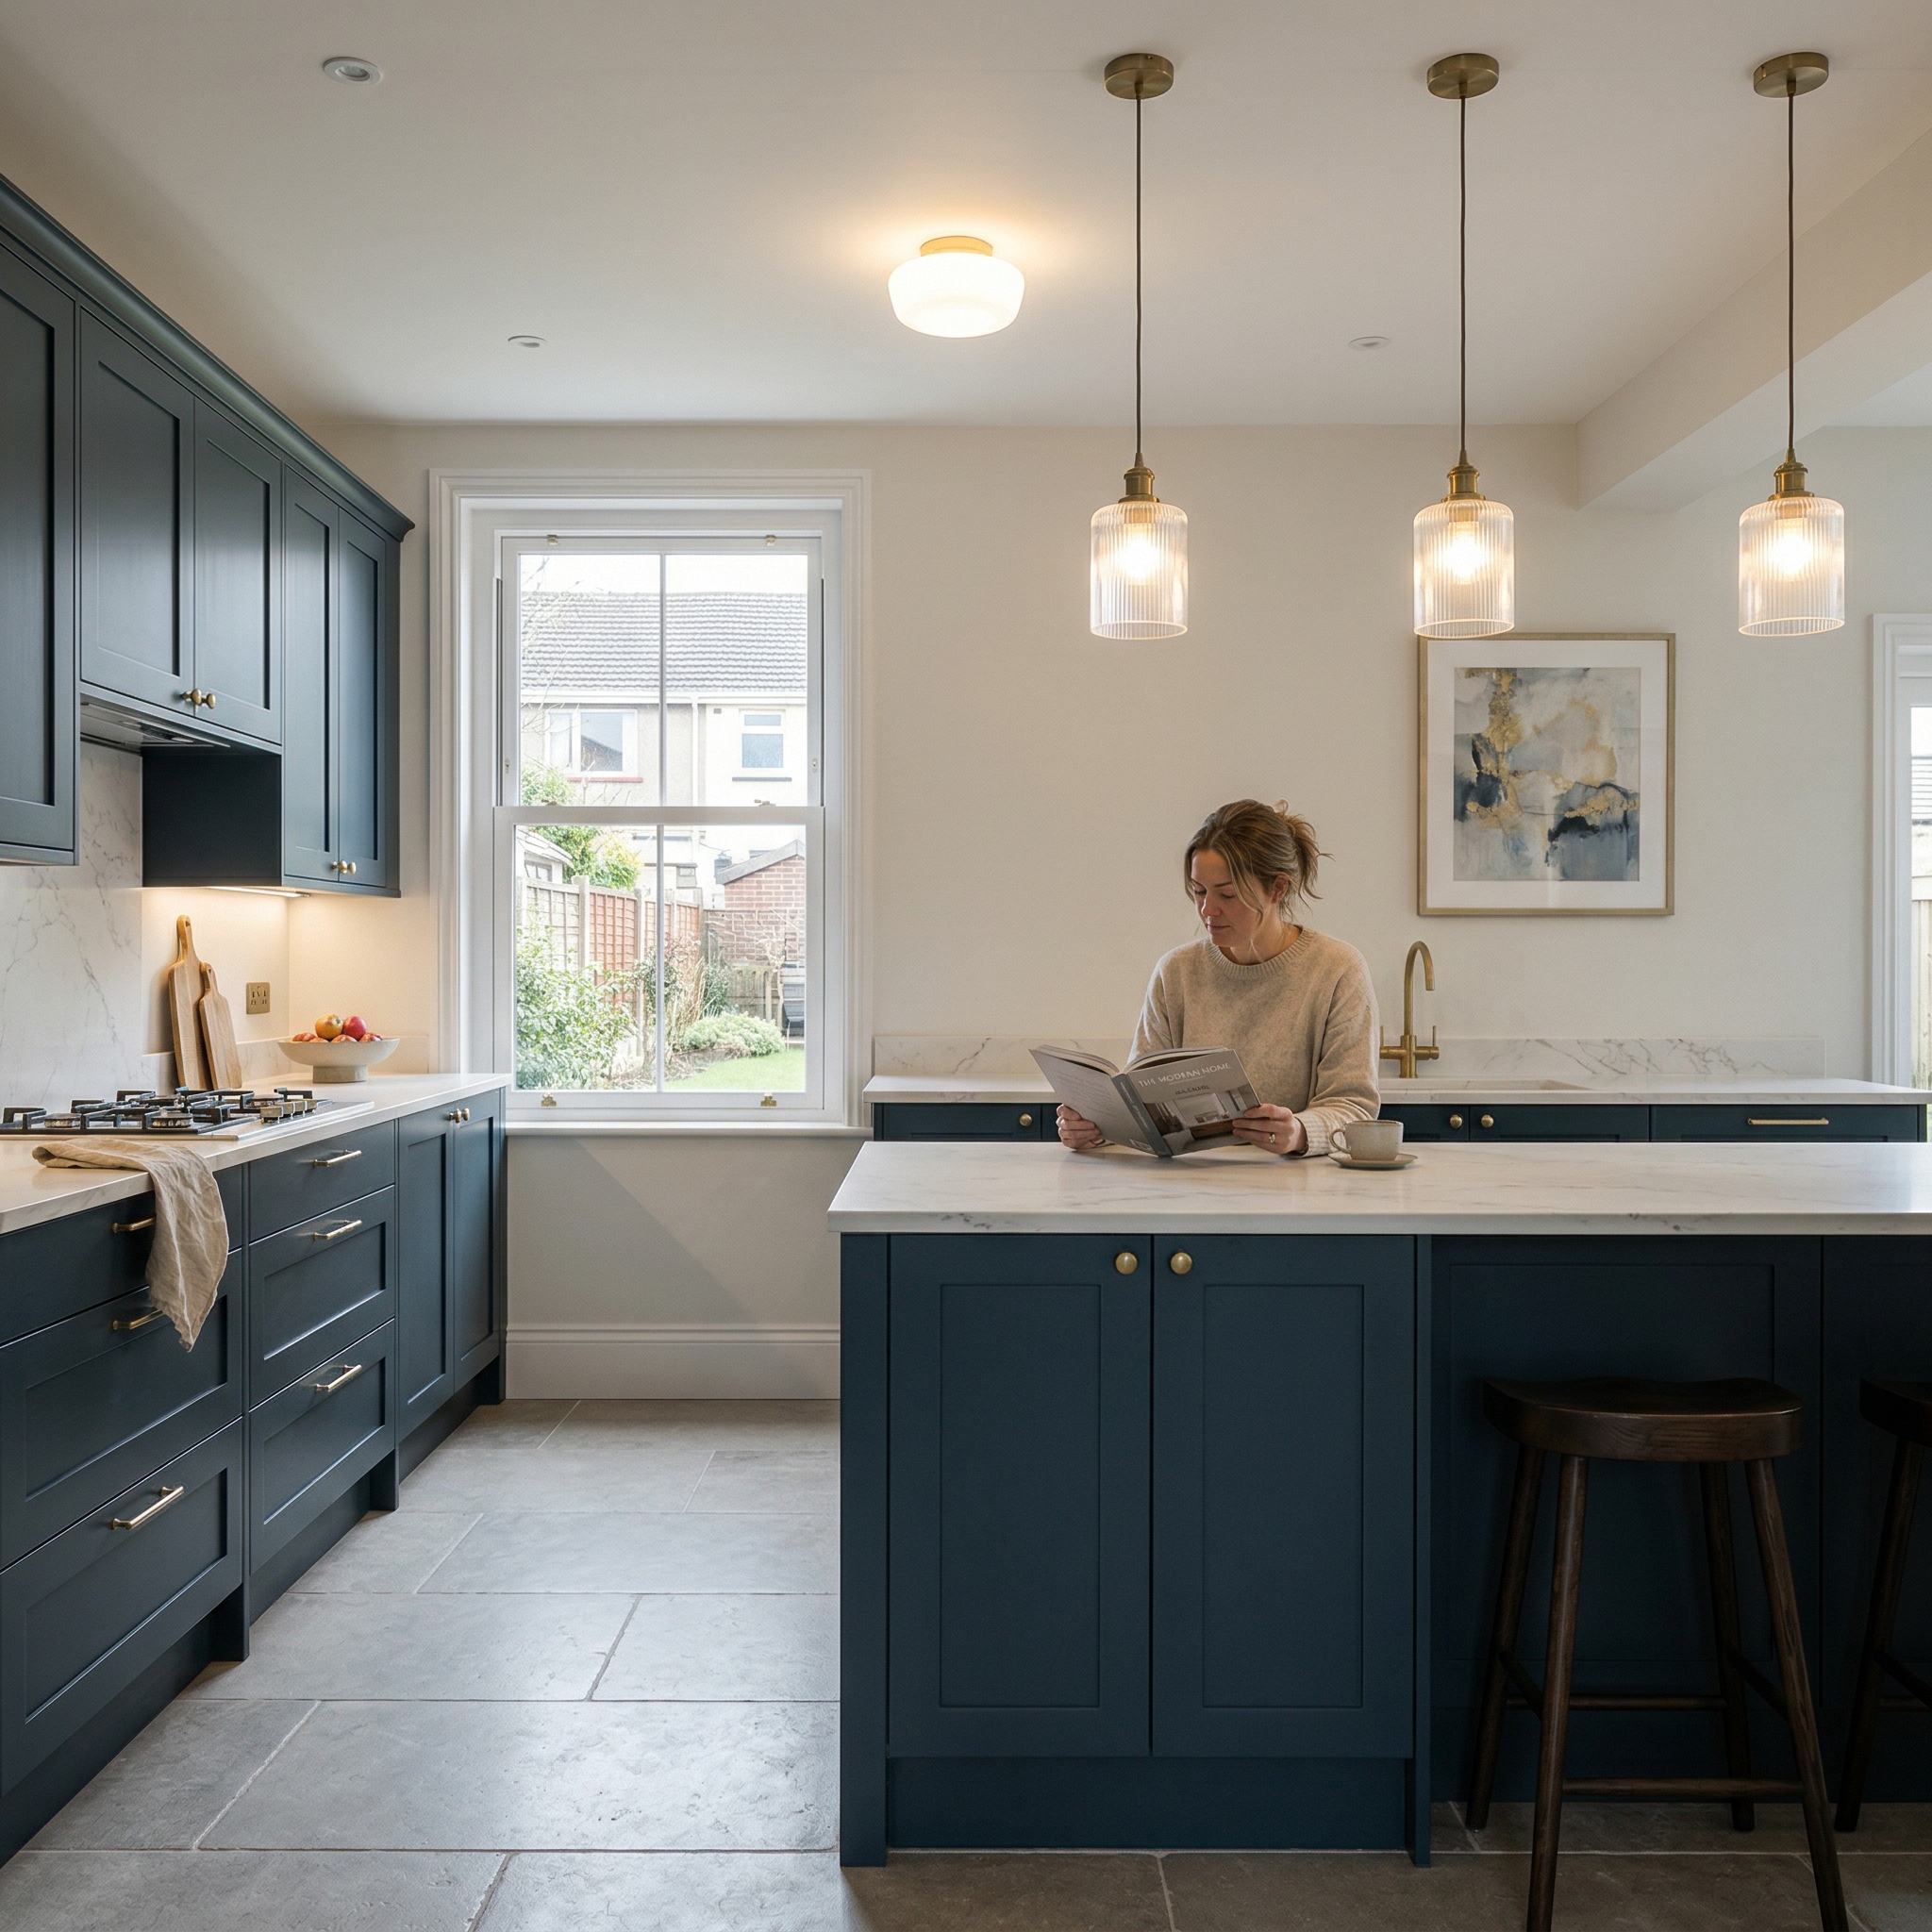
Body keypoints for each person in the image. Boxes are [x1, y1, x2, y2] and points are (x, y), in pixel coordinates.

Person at [1057, 800, 1379, 1158]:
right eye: (1199, 891)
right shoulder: (1175, 972)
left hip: (1291, 1181)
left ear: (1277, 889)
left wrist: (1300, 1132)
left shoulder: (1337, 969)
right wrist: (1096, 1129)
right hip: (1188, 1183)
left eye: (1227, 894)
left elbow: (1353, 1107)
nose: (1208, 910)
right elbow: (1140, 1104)